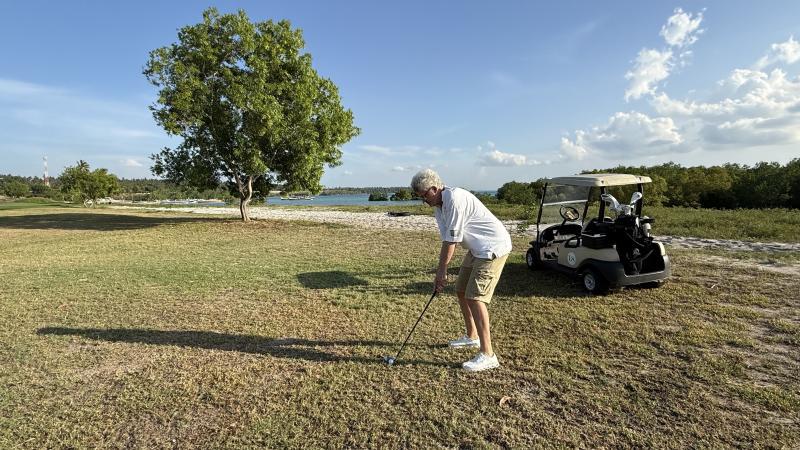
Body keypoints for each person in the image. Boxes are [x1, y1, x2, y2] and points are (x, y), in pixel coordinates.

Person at [410, 169, 512, 372]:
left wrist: (441, 272)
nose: (423, 200)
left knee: (475, 297)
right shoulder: (439, 207)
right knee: (461, 289)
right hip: (477, 249)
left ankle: (488, 355)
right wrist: (442, 270)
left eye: (423, 195)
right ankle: (472, 336)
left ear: (434, 188)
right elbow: (447, 239)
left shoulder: (455, 199)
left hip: (493, 247)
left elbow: (452, 241)